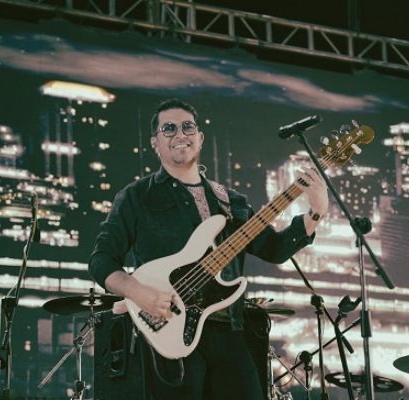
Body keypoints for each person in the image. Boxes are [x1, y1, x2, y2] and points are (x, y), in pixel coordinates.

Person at [88, 98, 329, 400]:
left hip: (229, 329)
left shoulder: (230, 201)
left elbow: (274, 249)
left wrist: (316, 212)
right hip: (170, 330)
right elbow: (101, 260)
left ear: (200, 138)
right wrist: (139, 293)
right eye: (169, 129)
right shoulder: (136, 197)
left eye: (187, 127)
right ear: (155, 143)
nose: (180, 134)